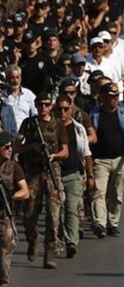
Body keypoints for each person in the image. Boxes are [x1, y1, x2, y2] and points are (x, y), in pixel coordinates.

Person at [13, 91, 69, 269]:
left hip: (52, 172)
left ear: (51, 105)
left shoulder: (58, 124)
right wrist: (31, 146)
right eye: (40, 105)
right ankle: (32, 239)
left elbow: (66, 150)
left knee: (54, 215)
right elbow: (16, 146)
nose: (43, 108)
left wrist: (54, 155)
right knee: (28, 214)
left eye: (46, 104)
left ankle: (49, 252)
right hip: (33, 173)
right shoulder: (29, 124)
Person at [89, 82, 124, 239]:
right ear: (103, 98)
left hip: (120, 159)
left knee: (116, 193)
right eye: (112, 97)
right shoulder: (95, 115)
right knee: (99, 191)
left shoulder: (123, 113)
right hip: (101, 161)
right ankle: (100, 223)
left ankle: (113, 223)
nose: (115, 100)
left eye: (117, 96)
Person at [55, 92, 95, 258]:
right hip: (55, 176)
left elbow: (86, 153)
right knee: (59, 211)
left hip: (73, 174)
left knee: (71, 208)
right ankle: (59, 240)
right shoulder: (50, 128)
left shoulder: (78, 129)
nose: (62, 113)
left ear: (71, 110)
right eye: (59, 109)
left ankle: (71, 241)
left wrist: (90, 175)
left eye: (66, 109)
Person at [0, 131, 29, 286]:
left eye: (11, 146)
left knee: (5, 253)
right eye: (6, 147)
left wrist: (11, 197)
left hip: (4, 216)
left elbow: (25, 191)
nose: (10, 149)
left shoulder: (14, 167)